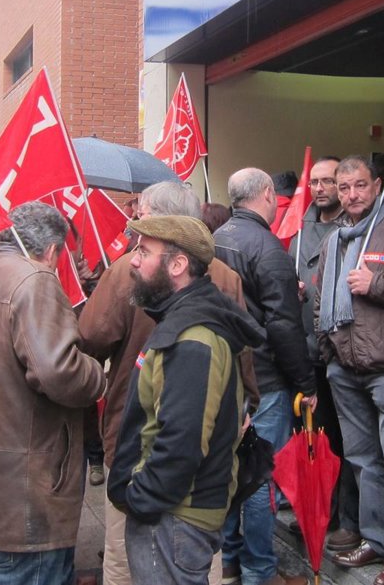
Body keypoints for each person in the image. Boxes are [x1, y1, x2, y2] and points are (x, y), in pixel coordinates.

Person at [78, 182, 256, 585]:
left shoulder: (188, 335)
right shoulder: (220, 277)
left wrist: (139, 498)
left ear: (177, 262)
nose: (134, 257)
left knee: (128, 563)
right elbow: (242, 360)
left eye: (143, 245)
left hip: (156, 475)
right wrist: (245, 406)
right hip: (175, 470)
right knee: (199, 566)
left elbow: (181, 440)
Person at [0, 202, 106, 585]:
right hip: (26, 486)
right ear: (51, 251)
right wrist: (99, 375)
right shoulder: (34, 279)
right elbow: (58, 371)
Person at [316, 156, 384, 584]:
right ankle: (376, 539)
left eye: (360, 185)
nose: (351, 195)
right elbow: (322, 302)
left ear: (377, 184)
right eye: (344, 188)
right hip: (345, 368)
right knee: (363, 460)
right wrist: (328, 355)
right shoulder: (334, 239)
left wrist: (374, 284)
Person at [214, 168, 316, 585]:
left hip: (225, 374)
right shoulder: (268, 248)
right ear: (269, 195)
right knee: (259, 478)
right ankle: (260, 570)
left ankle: (229, 561)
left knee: (228, 471)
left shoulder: (215, 239)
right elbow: (283, 325)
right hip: (265, 380)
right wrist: (306, 383)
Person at [294, 156, 361, 553]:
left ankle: (348, 519)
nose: (319, 188)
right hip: (307, 354)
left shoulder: (354, 229)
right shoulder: (299, 229)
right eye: (315, 181)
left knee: (347, 442)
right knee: (314, 440)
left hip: (341, 353)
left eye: (328, 181)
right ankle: (319, 511)